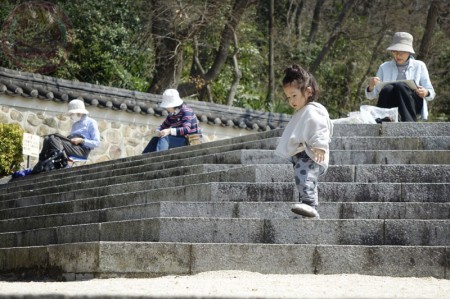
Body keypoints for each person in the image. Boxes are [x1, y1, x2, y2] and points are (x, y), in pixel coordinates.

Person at [275, 64, 333, 219]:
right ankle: (307, 207)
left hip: (310, 153)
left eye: (294, 95)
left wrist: (320, 146)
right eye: (288, 97)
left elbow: (320, 127)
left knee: (305, 177)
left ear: (308, 92)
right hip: (302, 154)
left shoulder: (313, 110)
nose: (291, 101)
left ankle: (309, 205)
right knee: (304, 179)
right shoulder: (303, 111)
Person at [365, 32, 435, 122]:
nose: (398, 55)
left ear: (409, 52)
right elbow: (371, 96)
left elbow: (431, 93)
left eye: (402, 52)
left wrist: (425, 92)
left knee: (400, 86)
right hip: (392, 104)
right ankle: (384, 121)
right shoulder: (384, 67)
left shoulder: (419, 65)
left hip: (412, 104)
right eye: (395, 52)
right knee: (387, 89)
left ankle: (409, 123)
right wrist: (371, 87)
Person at [32, 99, 100, 173]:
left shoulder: (91, 122)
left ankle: (63, 162)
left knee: (54, 139)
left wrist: (81, 140)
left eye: (72, 114)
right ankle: (42, 162)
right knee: (49, 138)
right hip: (72, 146)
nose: (71, 116)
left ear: (79, 112)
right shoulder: (75, 125)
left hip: (81, 150)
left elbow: (96, 142)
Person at [142, 89, 201, 153]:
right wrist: (157, 131)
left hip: (190, 140)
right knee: (155, 139)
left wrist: (169, 131)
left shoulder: (186, 111)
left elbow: (186, 129)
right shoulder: (171, 115)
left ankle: (159, 160)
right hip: (179, 139)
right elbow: (163, 126)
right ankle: (142, 160)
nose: (166, 108)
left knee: (165, 138)